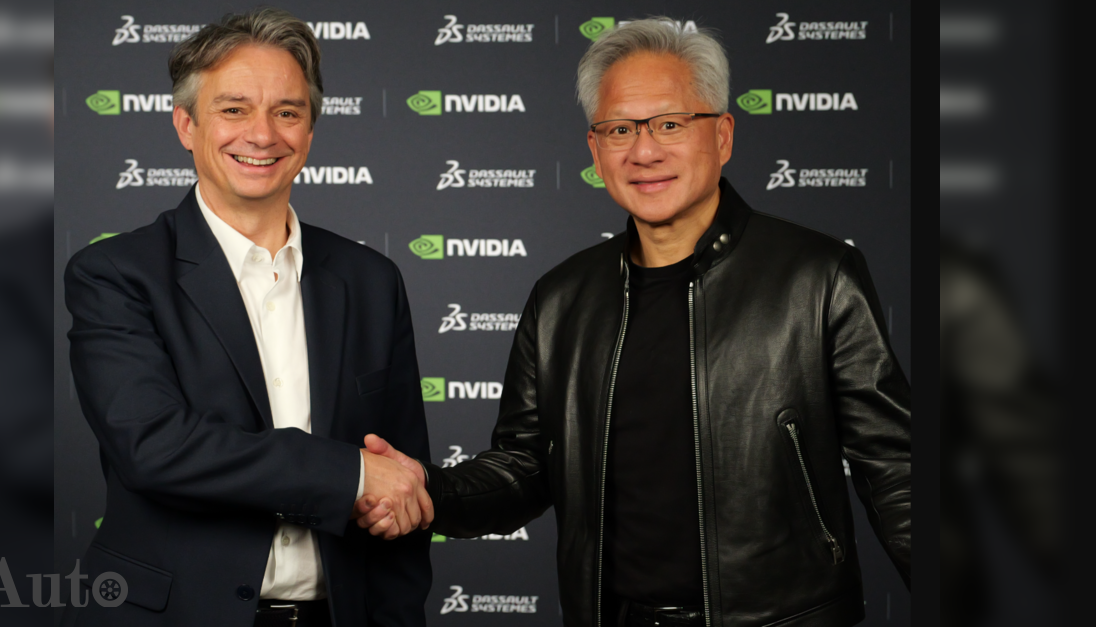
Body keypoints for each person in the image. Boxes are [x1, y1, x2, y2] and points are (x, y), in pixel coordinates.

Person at [356, 17, 911, 627]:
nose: (644, 152)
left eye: (670, 124)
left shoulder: (817, 275)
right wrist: (428, 491)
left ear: (723, 135)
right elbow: (524, 466)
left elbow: (896, 469)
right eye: (620, 129)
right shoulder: (561, 299)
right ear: (595, 151)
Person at [63, 8, 432, 627]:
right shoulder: (115, 274)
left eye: (287, 112)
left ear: (309, 130)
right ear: (186, 124)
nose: (262, 135)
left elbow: (402, 487)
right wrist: (351, 475)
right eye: (234, 109)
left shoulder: (372, 281)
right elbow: (155, 448)